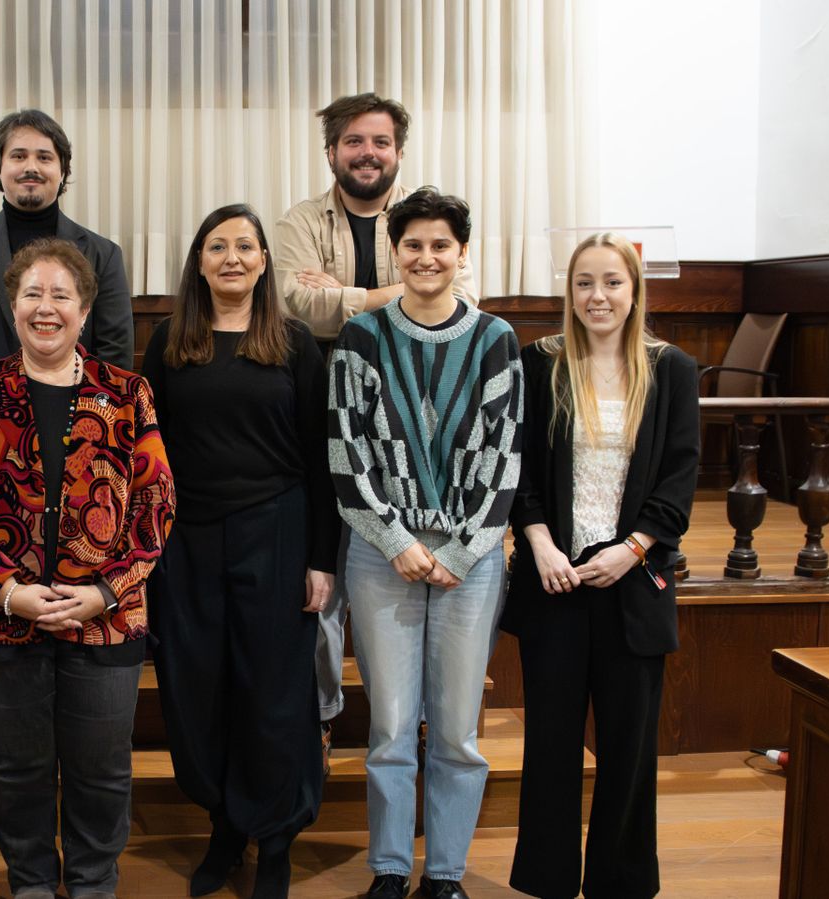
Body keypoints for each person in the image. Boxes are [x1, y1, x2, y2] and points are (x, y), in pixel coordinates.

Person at [0, 238, 175, 899]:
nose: (46, 308)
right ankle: (33, 882)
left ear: (86, 308)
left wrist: (104, 590)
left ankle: (94, 881)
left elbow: (155, 504)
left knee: (101, 770)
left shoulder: (127, 393)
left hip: (107, 619)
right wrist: (6, 589)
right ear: (12, 306)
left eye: (60, 295)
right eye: (32, 294)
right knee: (16, 768)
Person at [327, 188, 522, 899]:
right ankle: (388, 867)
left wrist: (462, 551)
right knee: (388, 725)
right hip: (382, 555)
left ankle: (443, 873)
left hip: (469, 562)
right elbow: (346, 457)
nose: (427, 257)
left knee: (457, 730)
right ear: (395, 253)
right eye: (413, 245)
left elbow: (506, 461)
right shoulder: (360, 338)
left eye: (441, 245)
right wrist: (398, 539)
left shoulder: (496, 339)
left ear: (461, 254)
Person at [272, 93, 478, 760]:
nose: (368, 153)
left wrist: (346, 296)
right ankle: (323, 712)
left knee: (407, 559)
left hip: (416, 424)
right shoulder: (299, 220)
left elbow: (460, 300)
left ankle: (417, 714)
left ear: (397, 152)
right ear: (331, 152)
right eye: (354, 141)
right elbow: (299, 306)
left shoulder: (423, 221)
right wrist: (396, 296)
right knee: (325, 566)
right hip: (318, 414)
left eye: (380, 142)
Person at [141, 205, 335, 899]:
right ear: (198, 261)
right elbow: (146, 457)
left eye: (244, 246)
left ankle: (275, 836)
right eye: (216, 245)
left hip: (276, 531)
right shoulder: (168, 341)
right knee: (198, 689)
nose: (231, 256)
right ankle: (225, 826)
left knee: (275, 693)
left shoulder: (294, 342)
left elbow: (319, 457)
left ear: (262, 261)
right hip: (186, 542)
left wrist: (321, 558)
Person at [502, 233, 700, 899]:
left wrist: (633, 547)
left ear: (634, 289)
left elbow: (679, 480)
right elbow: (521, 472)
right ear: (570, 293)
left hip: (632, 582)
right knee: (551, 746)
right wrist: (541, 545)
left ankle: (619, 881)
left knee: (629, 747)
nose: (598, 296)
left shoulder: (671, 370)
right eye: (585, 283)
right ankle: (549, 880)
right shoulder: (542, 364)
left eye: (612, 282)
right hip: (555, 579)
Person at [0, 108, 134, 372]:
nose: (31, 167)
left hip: (80, 409)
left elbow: (114, 349)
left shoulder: (103, 254)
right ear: (0, 167)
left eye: (44, 157)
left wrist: (75, 408)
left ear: (62, 170)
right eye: (18, 156)